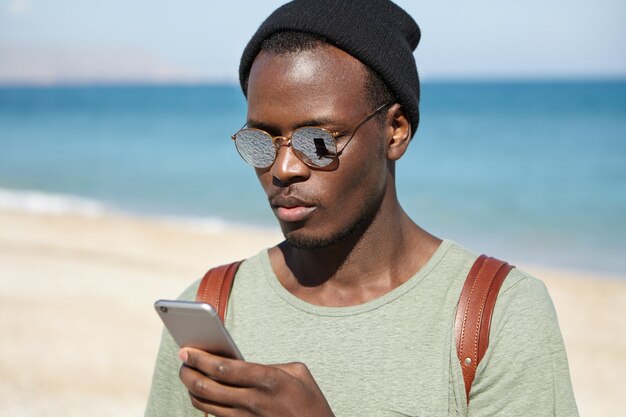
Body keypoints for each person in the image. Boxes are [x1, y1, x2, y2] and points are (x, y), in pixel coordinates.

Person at [145, 1, 579, 416]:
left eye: (316, 142)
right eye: (261, 142)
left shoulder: (494, 315)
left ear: (395, 131)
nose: (284, 168)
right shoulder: (215, 306)